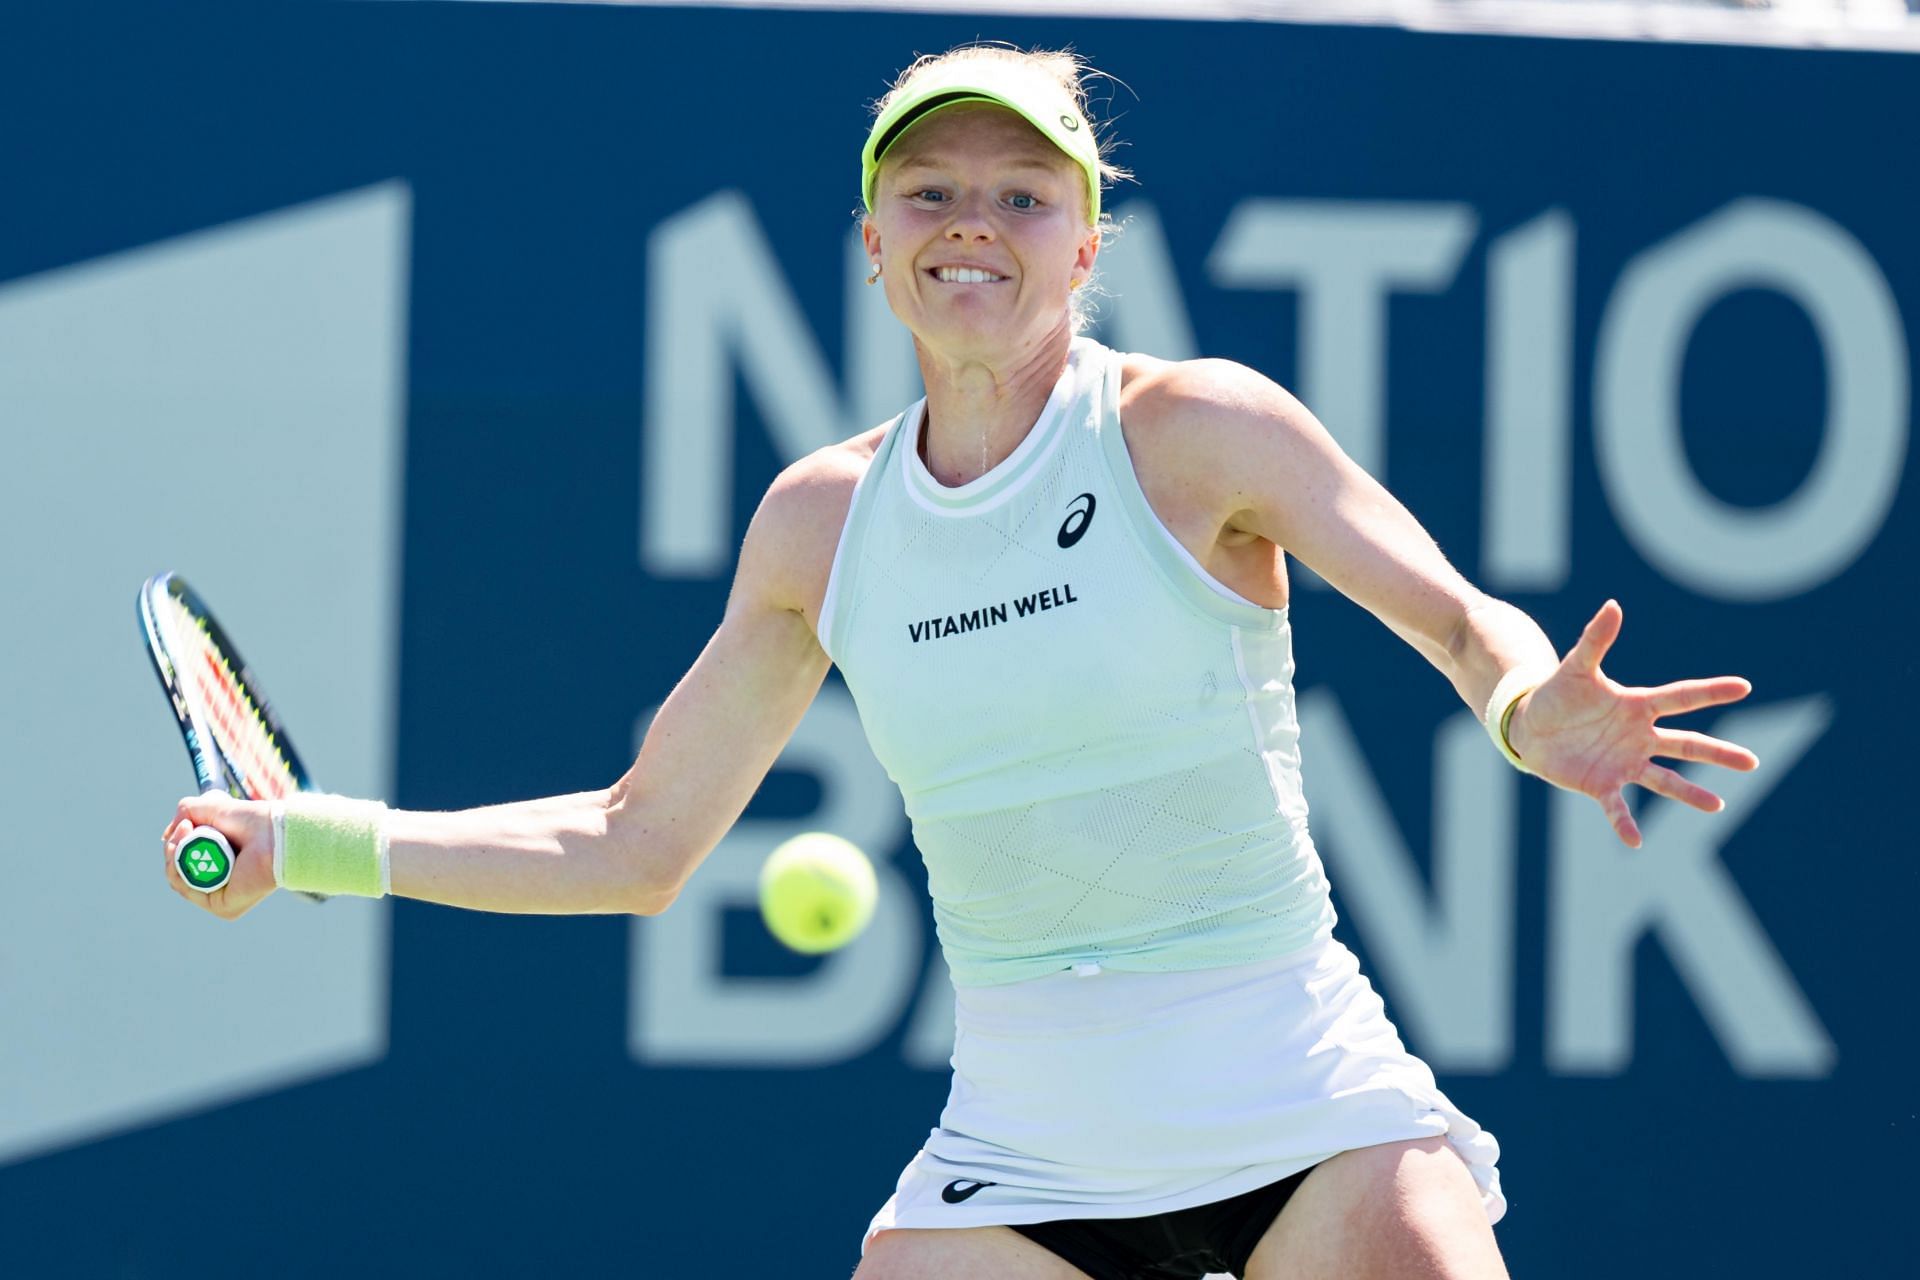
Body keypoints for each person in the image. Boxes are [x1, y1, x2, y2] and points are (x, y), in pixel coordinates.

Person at [162, 44, 1760, 1280]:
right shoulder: (819, 525)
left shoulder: (1197, 431)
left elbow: (1464, 621)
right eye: (930, 193)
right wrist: (303, 837)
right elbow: (634, 843)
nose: (973, 223)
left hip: (1309, 1111)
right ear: (873, 242)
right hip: (1024, 1162)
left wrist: (1522, 706)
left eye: (1022, 194)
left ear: (1086, 243)